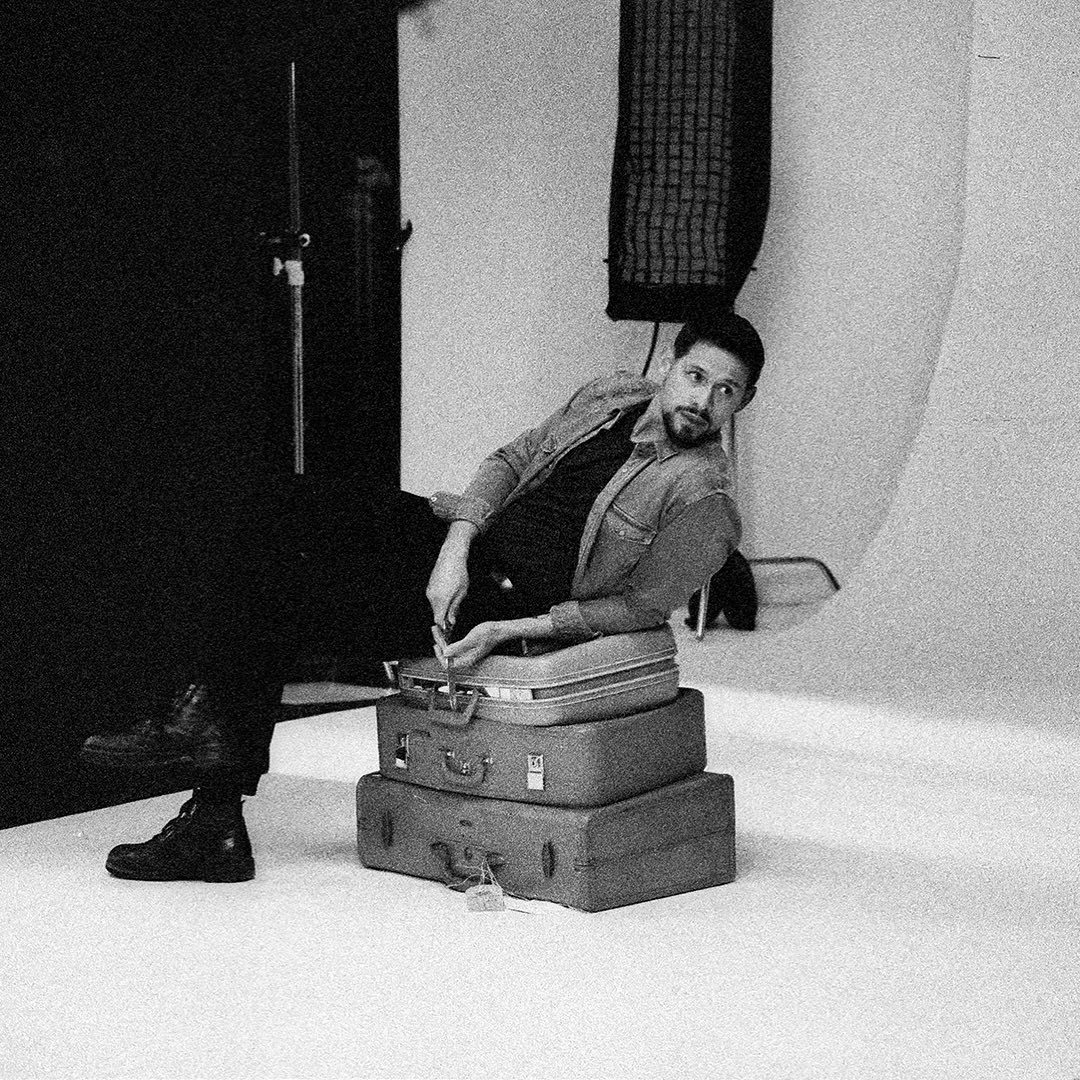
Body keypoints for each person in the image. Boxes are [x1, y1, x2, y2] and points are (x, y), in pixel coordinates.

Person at [80, 309, 764, 882]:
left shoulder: (706, 500)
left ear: (742, 402)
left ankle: (211, 794)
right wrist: (455, 548)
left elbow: (639, 611)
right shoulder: (611, 395)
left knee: (280, 579)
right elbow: (511, 462)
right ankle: (210, 782)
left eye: (725, 391)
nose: (702, 402)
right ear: (670, 365)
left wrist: (509, 630)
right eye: (695, 376)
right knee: (276, 503)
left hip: (500, 604)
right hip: (462, 549)